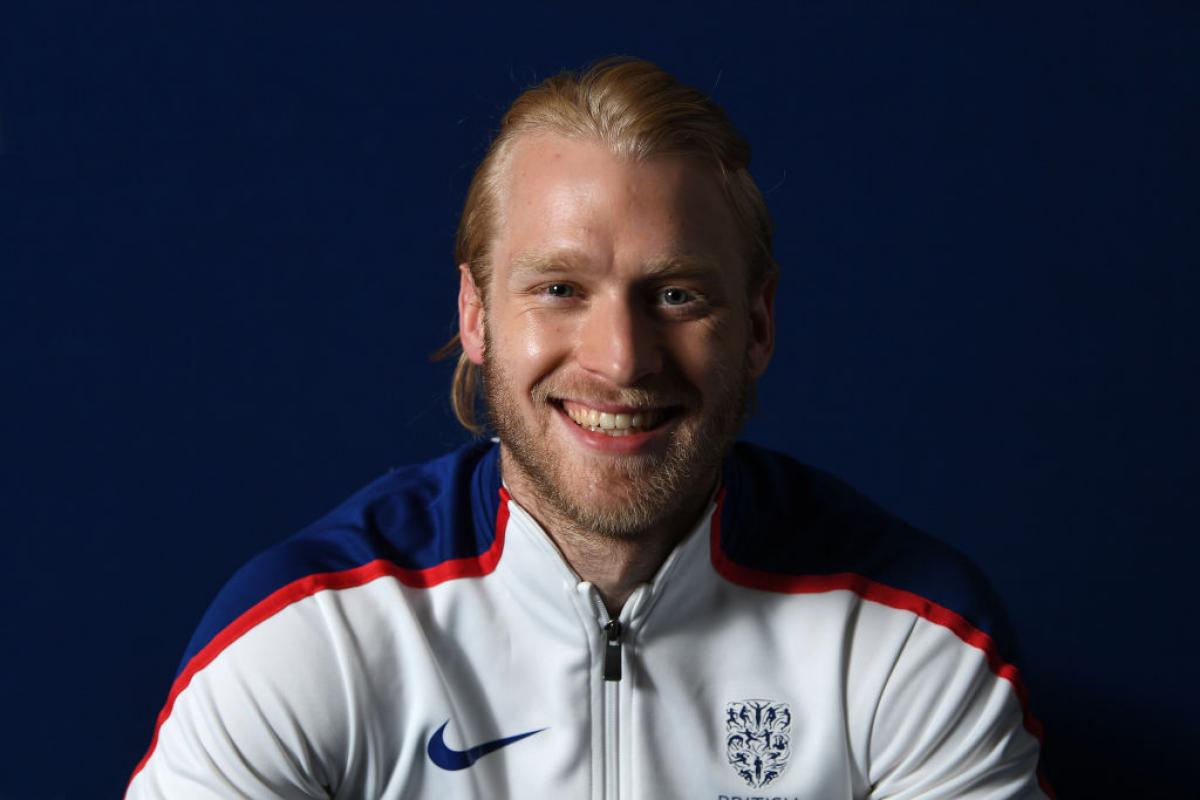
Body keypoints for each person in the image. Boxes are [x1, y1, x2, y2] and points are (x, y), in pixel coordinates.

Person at [127, 58, 1051, 799]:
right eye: (560, 289)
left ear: (759, 326)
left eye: (677, 294)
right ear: (478, 314)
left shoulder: (905, 636)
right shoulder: (312, 633)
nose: (620, 358)